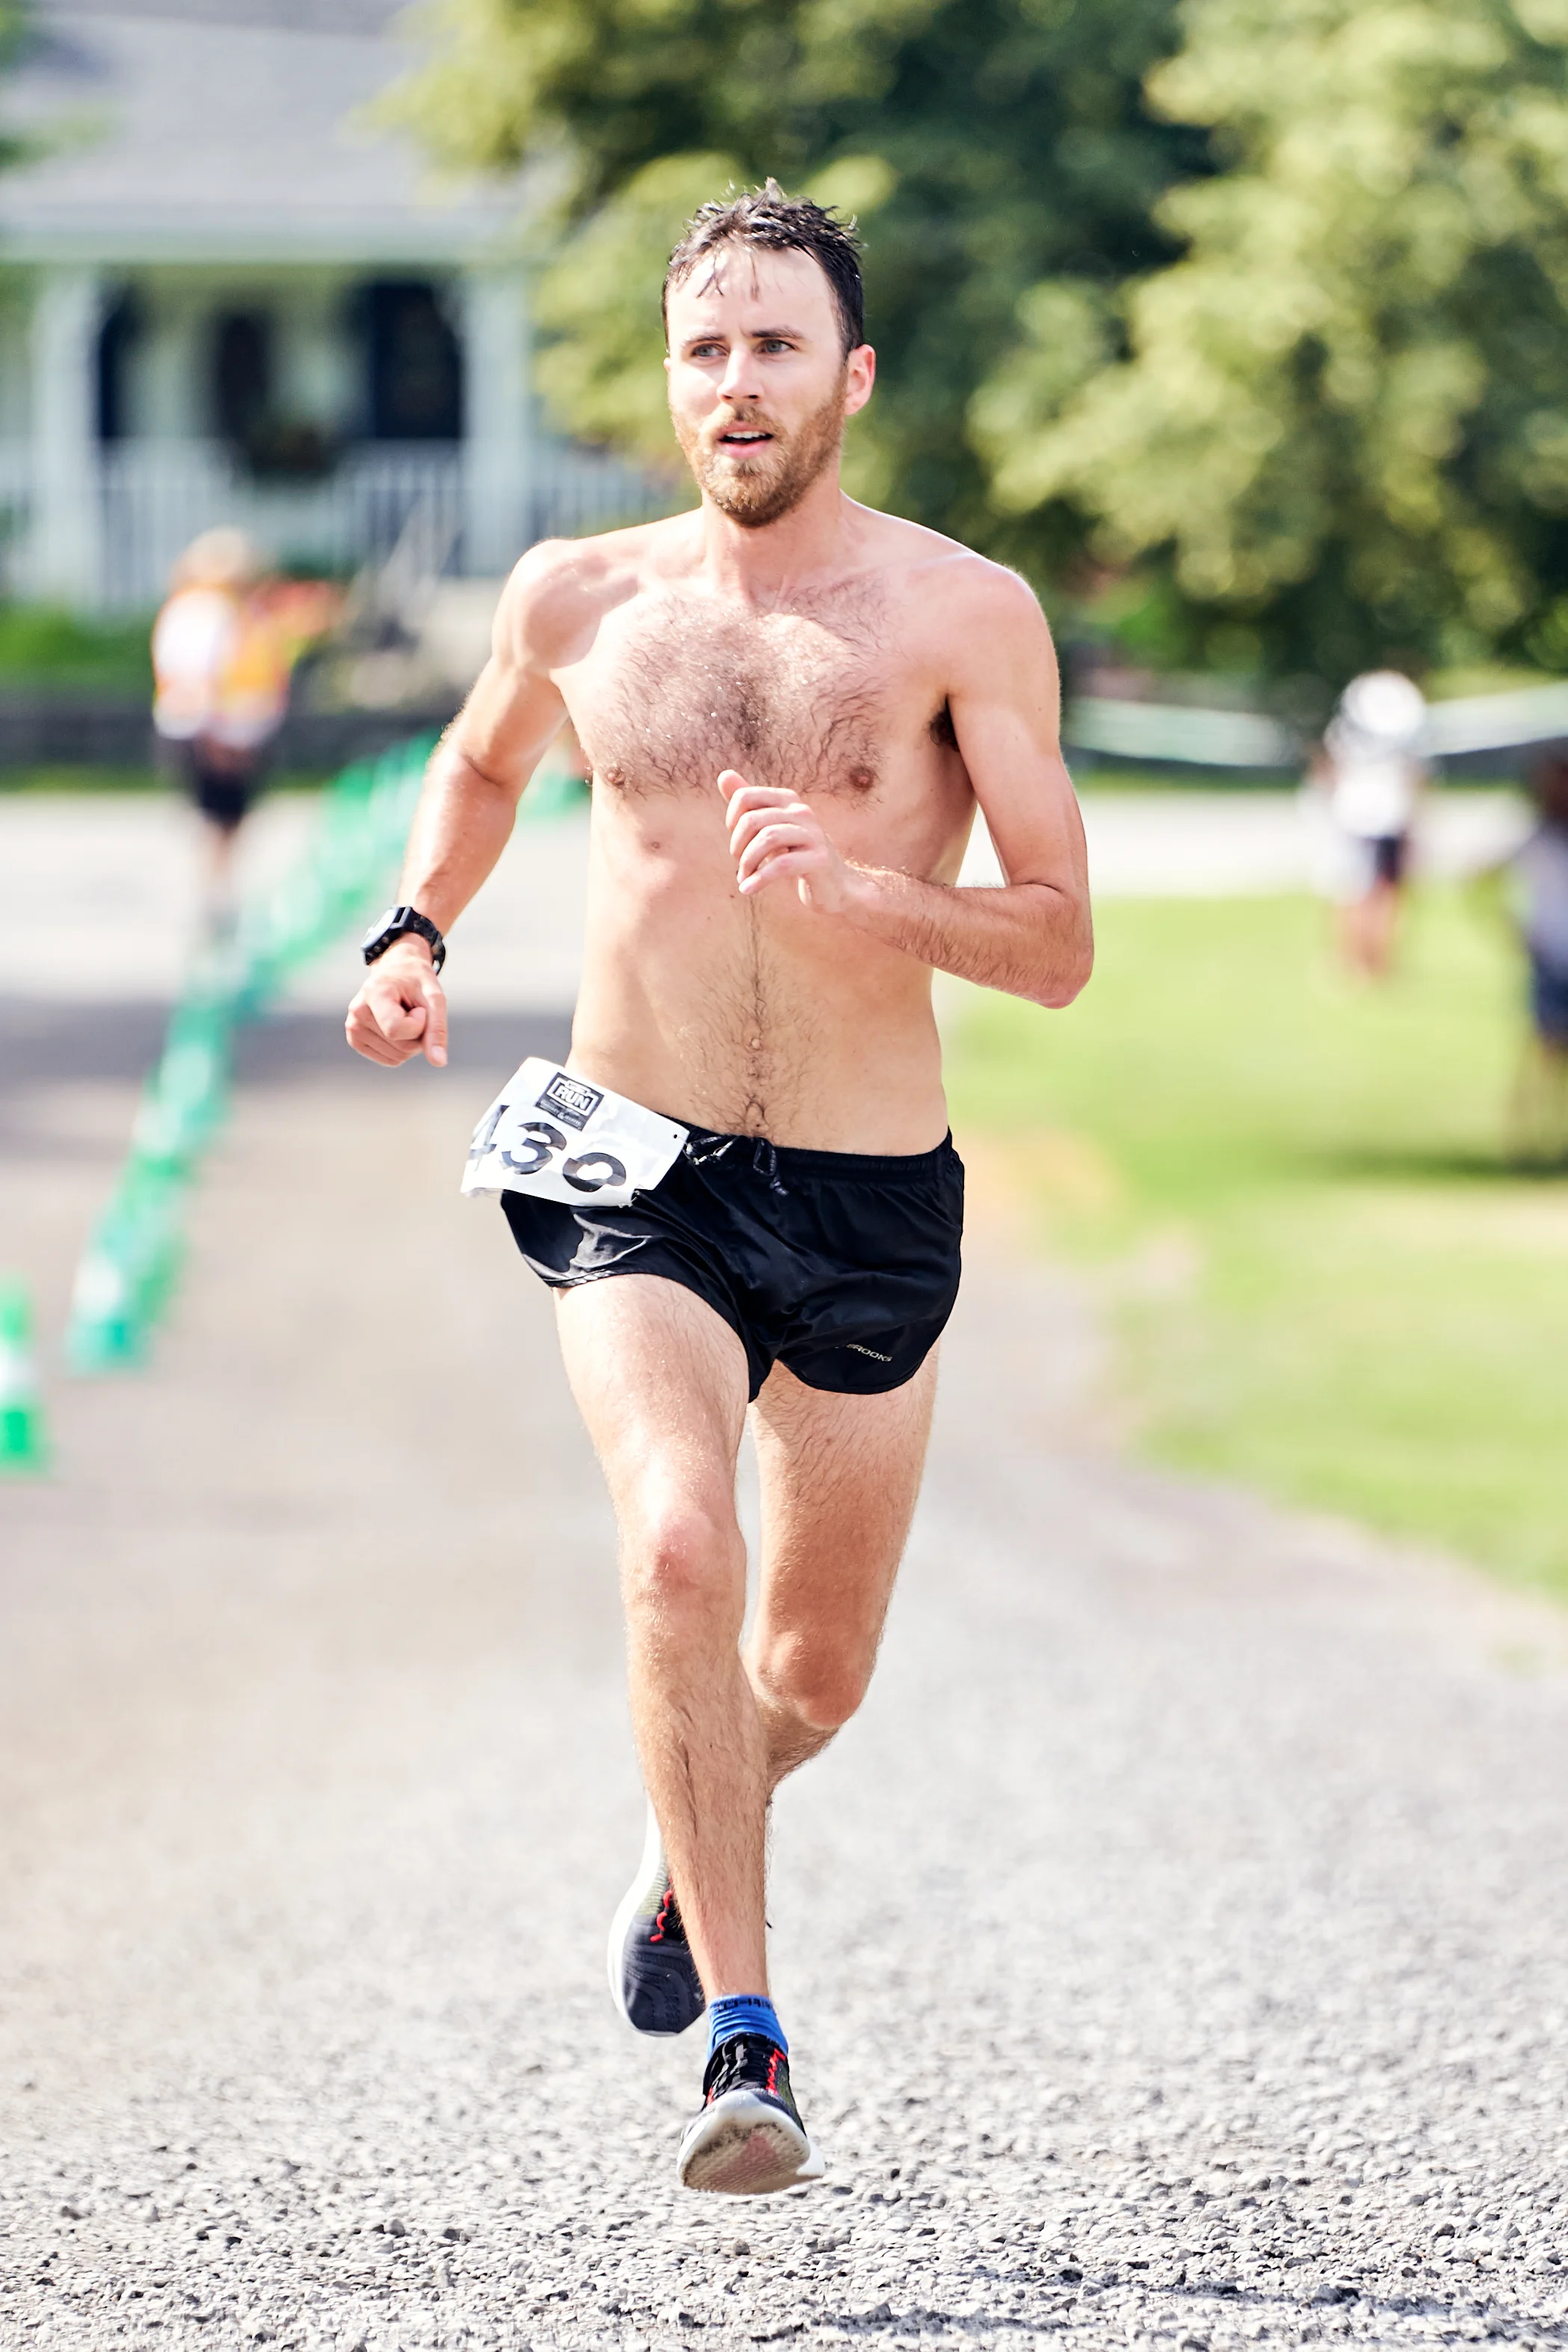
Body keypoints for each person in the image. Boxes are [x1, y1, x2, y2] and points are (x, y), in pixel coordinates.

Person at [345, 182, 1092, 2195]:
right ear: (667, 385)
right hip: (636, 1172)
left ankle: (692, 1845)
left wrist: (862, 888)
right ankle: (746, 2048)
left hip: (865, 1196)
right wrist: (410, 927)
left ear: (847, 376)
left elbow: (1057, 940)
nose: (734, 382)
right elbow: (488, 764)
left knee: (814, 1671)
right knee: (678, 1542)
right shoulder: (577, 597)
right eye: (703, 348)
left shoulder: (960, 615)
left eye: (773, 344)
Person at [152, 528, 293, 927]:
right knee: (218, 818)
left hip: (241, 731)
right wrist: (212, 733)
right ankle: (213, 896)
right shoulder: (203, 610)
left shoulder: (237, 609)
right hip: (218, 735)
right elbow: (197, 678)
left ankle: (220, 891)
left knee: (231, 820)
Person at [1312, 669, 1429, 978]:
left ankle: (1364, 963)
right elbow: (1416, 779)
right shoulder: (1403, 737)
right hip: (1380, 819)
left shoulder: (1341, 733)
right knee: (1376, 892)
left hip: (1361, 819)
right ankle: (1367, 963)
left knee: (1360, 892)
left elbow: (1327, 774)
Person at [1493, 747, 1568, 1164]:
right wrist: (1515, 930)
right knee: (1542, 1050)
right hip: (1551, 957)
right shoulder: (1539, 838)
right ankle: (1527, 1141)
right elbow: (1483, 878)